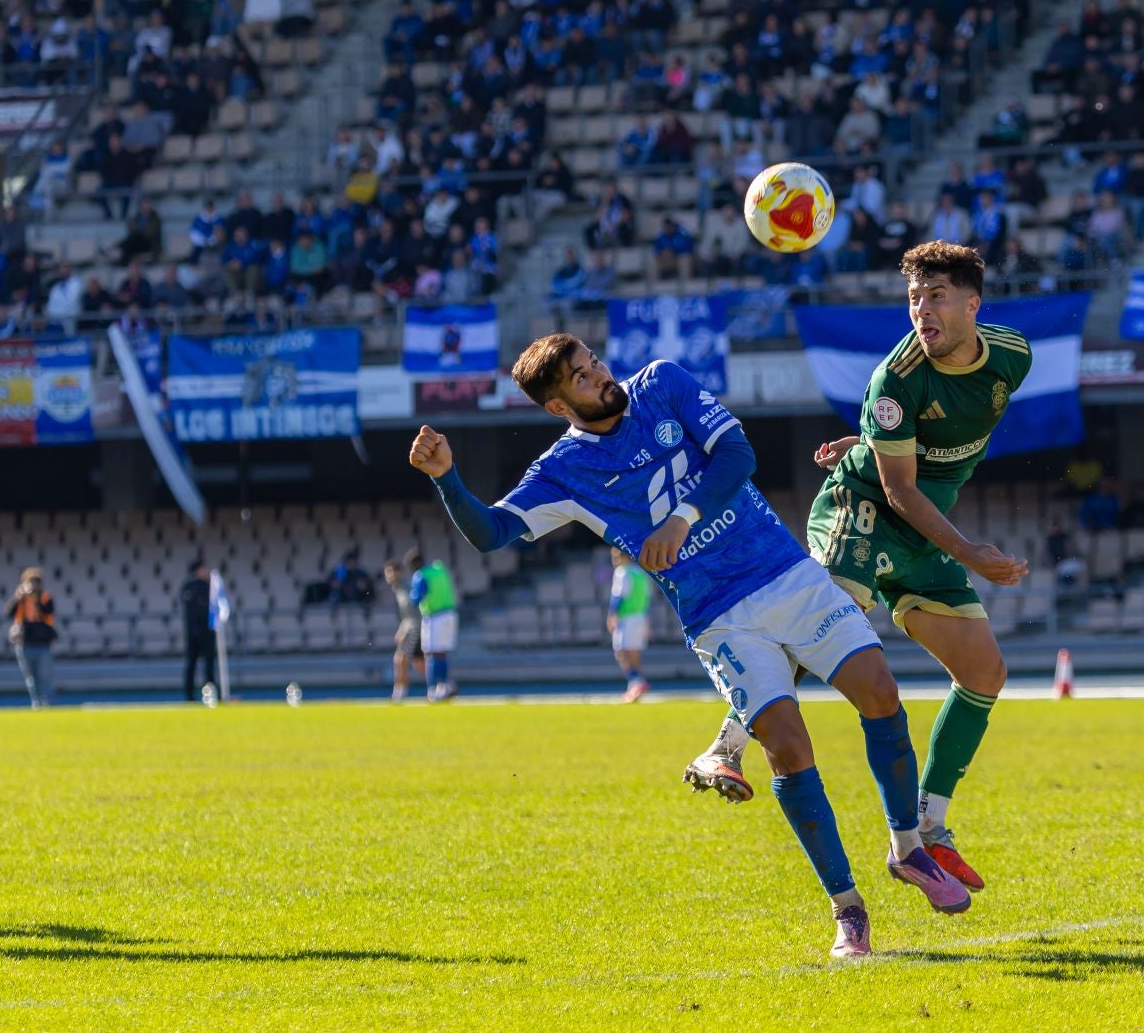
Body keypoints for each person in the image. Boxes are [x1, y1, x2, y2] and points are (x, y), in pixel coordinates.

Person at [412, 334, 971, 956]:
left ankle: (907, 848)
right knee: (787, 747)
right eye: (580, 377)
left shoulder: (660, 383)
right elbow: (491, 532)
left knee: (881, 692)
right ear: (557, 407)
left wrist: (682, 519)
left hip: (785, 574)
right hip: (719, 617)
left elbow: (736, 454)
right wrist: (447, 479)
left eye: (594, 361)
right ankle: (847, 910)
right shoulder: (561, 472)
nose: (599, 374)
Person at [686, 242, 1029, 893]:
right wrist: (973, 553)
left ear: (972, 305)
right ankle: (723, 748)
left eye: (935, 297)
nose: (921, 311)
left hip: (924, 524)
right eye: (913, 298)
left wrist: (872, 438)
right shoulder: (894, 379)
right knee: (824, 614)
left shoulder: (1013, 354)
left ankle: (930, 825)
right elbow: (897, 489)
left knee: (985, 669)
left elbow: (927, 449)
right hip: (865, 506)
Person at [405, 549, 457, 702]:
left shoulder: (421, 575)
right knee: (442, 652)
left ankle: (434, 689)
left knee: (431, 653)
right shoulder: (439, 569)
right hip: (450, 614)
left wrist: (411, 595)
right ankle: (445, 685)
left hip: (434, 616)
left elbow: (416, 598)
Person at [6, 566, 58, 708]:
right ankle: (36, 703)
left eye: (36, 583)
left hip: (42, 643)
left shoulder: (45, 598)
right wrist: (18, 597)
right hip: (24, 642)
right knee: (30, 677)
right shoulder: (21, 599)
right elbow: (8, 613)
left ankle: (47, 701)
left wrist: (36, 601)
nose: (33, 586)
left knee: (44, 676)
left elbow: (49, 611)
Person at [608, 547, 653, 702]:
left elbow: (618, 596)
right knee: (634, 654)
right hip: (640, 616)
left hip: (626, 617)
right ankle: (635, 687)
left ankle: (637, 682)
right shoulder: (640, 573)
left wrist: (612, 616)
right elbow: (647, 598)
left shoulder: (623, 572)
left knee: (620, 651)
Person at [383, 558, 424, 703]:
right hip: (411, 627)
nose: (388, 576)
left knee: (400, 660)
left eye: (390, 572)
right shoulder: (399, 589)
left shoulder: (405, 588)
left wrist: (405, 629)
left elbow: (413, 612)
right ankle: (445, 685)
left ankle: (399, 694)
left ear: (398, 572)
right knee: (420, 665)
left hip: (414, 628)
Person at [179, 561, 218, 702]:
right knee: (192, 664)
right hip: (194, 632)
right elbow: (192, 609)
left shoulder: (210, 587)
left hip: (208, 632)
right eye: (203, 569)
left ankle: (212, 693)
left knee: (209, 664)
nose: (206, 571)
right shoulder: (189, 587)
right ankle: (189, 695)